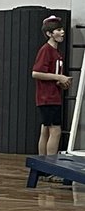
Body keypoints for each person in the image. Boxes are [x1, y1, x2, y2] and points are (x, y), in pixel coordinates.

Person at [32, 16, 71, 156]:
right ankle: (50, 166)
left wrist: (61, 82)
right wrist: (58, 77)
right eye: (58, 30)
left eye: (62, 29)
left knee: (46, 129)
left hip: (53, 95)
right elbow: (36, 73)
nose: (62, 32)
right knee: (55, 131)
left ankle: (43, 165)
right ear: (49, 34)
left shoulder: (56, 52)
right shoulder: (46, 50)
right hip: (47, 97)